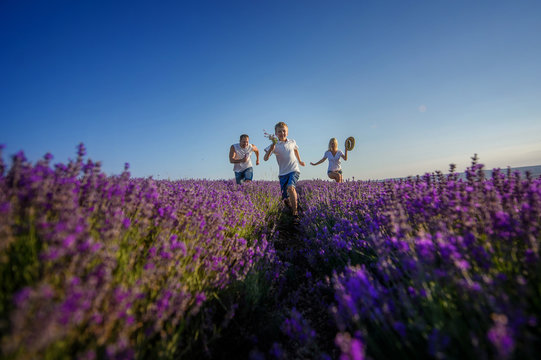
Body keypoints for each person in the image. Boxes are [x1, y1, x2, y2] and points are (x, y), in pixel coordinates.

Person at [263, 122, 305, 219]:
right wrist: (271, 149)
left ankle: (295, 213)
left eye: (284, 131)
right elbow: (265, 158)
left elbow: (295, 150)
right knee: (285, 198)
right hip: (282, 174)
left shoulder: (292, 142)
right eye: (279, 131)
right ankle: (292, 205)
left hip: (294, 170)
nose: (282, 133)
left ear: (287, 132)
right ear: (276, 134)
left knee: (291, 187)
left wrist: (300, 160)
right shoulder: (274, 145)